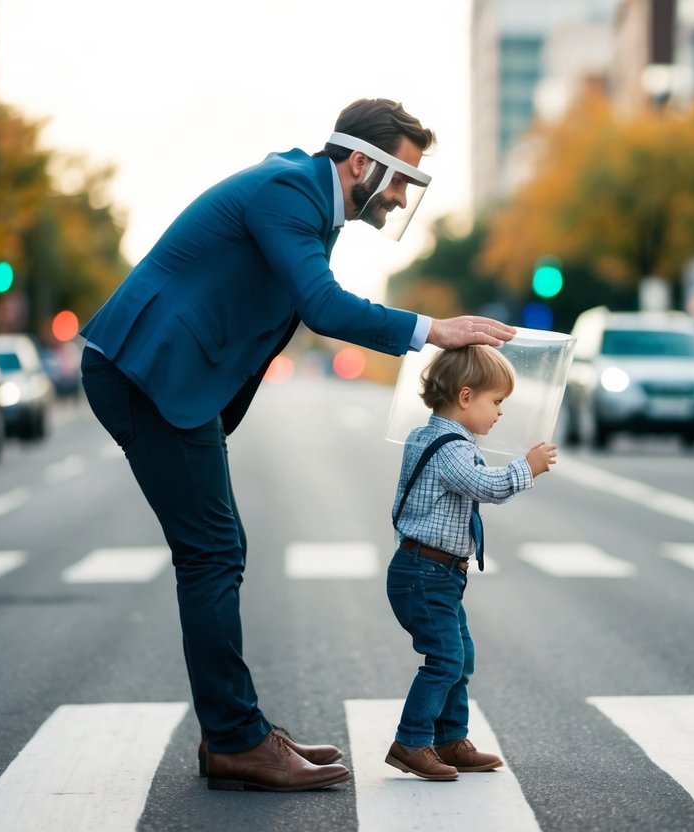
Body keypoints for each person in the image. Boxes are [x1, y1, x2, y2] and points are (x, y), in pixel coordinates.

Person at [78, 98, 517, 793]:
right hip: (146, 371)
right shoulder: (289, 191)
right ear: (359, 162)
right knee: (212, 554)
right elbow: (323, 307)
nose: (402, 195)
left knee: (217, 551)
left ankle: (237, 732)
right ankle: (234, 740)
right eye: (400, 177)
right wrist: (437, 330)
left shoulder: (310, 198)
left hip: (169, 375)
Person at [384, 345, 557, 780]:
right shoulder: (449, 448)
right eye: (495, 402)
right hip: (423, 573)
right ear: (465, 397)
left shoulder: (431, 436)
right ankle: (411, 741)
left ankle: (449, 740)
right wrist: (527, 468)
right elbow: (485, 486)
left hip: (435, 572)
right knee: (444, 658)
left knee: (461, 656)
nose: (499, 413)